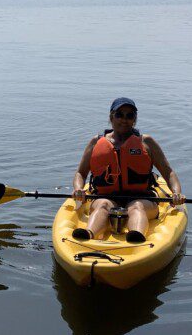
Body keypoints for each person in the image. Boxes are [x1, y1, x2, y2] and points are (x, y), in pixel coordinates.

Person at [71, 97, 184, 243]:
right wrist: (78, 189)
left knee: (136, 207)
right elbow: (80, 173)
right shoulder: (95, 142)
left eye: (129, 115)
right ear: (111, 117)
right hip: (106, 197)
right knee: (103, 205)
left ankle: (136, 236)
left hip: (143, 198)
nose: (124, 119)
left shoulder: (146, 142)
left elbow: (169, 173)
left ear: (134, 120)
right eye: (120, 114)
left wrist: (176, 193)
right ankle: (88, 234)